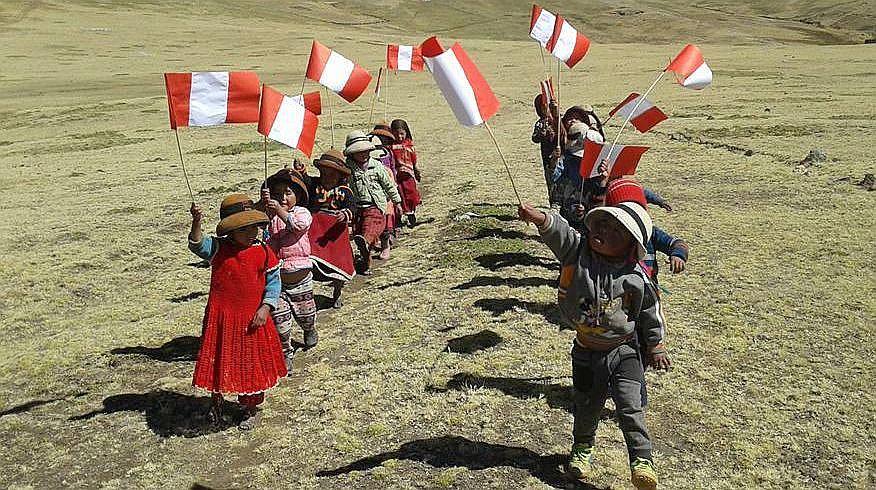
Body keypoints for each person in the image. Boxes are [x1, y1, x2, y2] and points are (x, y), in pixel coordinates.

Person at [518, 201, 670, 489]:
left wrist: (655, 345)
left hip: (625, 352)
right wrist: (540, 218)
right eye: (601, 223)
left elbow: (651, 312)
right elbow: (561, 232)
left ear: (630, 246)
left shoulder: (636, 277)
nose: (603, 230)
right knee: (587, 406)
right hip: (586, 351)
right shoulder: (577, 254)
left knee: (630, 406)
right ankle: (582, 448)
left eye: (616, 231)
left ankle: (642, 459)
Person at [187, 194, 287, 430]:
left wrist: (266, 307)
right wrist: (196, 221)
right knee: (219, 359)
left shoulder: (264, 252)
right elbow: (196, 244)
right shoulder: (218, 248)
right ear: (230, 231)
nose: (251, 233)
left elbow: (274, 283)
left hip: (253, 318)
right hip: (222, 317)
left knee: (251, 363)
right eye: (243, 229)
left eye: (254, 227)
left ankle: (250, 408)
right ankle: (217, 402)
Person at [260, 169, 318, 371]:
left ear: (298, 196)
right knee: (280, 323)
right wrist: (263, 204)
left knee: (306, 315)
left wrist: (279, 210)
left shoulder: (302, 213)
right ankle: (286, 353)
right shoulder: (270, 216)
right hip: (277, 281)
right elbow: (258, 229)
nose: (282, 198)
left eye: (288, 193)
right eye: (277, 194)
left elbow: (297, 226)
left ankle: (309, 329)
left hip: (300, 279)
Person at [603, 178, 688, 284]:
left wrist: (678, 255)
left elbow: (677, 243)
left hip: (648, 286)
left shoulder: (650, 233)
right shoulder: (606, 237)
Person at [344, 130, 403, 274]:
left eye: (366, 151)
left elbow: (388, 185)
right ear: (351, 153)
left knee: (370, 227)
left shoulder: (376, 166)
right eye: (359, 152)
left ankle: (366, 241)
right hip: (358, 207)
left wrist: (397, 202)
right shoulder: (347, 169)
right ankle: (366, 262)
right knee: (361, 233)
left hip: (375, 205)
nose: (363, 154)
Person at [308, 150, 357, 308]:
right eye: (324, 172)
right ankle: (306, 293)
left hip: (335, 232)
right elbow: (303, 182)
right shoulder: (314, 185)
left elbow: (352, 206)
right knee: (309, 259)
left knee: (338, 261)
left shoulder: (345, 191)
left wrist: (345, 213)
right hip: (315, 230)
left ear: (340, 175)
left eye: (332, 174)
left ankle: (337, 291)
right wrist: (300, 172)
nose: (327, 177)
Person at [550, 122, 607, 228]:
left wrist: (585, 208)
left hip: (588, 215)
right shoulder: (568, 161)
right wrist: (554, 161)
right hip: (567, 209)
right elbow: (555, 176)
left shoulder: (599, 170)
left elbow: (598, 196)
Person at [370, 122, 403, 254]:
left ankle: (387, 240)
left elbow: (392, 168)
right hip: (373, 193)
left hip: (387, 190)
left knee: (388, 215)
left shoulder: (388, 153)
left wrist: (394, 185)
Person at [390, 119, 422, 227]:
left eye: (402, 134)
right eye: (396, 134)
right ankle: (402, 216)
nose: (399, 137)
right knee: (401, 196)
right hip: (398, 176)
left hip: (409, 175)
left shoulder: (409, 145)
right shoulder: (391, 147)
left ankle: (411, 213)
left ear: (406, 132)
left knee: (412, 194)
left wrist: (416, 171)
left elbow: (413, 160)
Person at [532, 94, 558, 199]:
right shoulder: (540, 123)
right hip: (547, 157)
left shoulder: (558, 119)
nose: (545, 110)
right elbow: (534, 138)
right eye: (542, 107)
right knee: (551, 178)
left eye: (546, 106)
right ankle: (553, 199)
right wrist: (541, 135)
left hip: (560, 154)